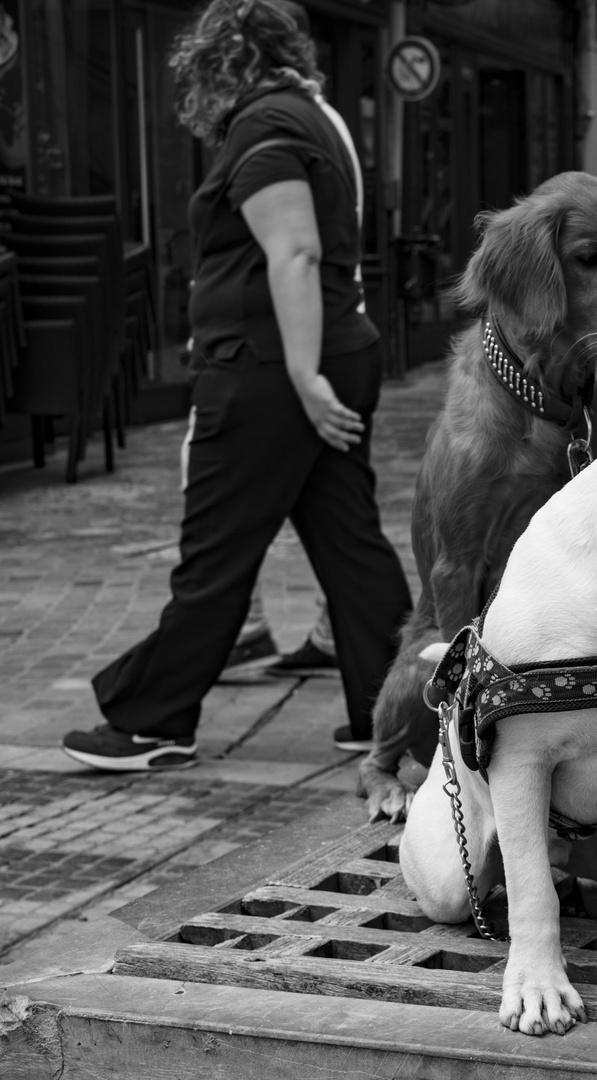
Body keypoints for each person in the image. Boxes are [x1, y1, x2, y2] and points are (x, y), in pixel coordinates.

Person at [61, 0, 410, 771]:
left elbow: (294, 253)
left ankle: (154, 720)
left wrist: (300, 374)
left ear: (226, 64)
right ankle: (392, 712)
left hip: (270, 368)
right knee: (347, 540)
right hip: (323, 353)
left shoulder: (263, 126)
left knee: (216, 550)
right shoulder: (317, 116)